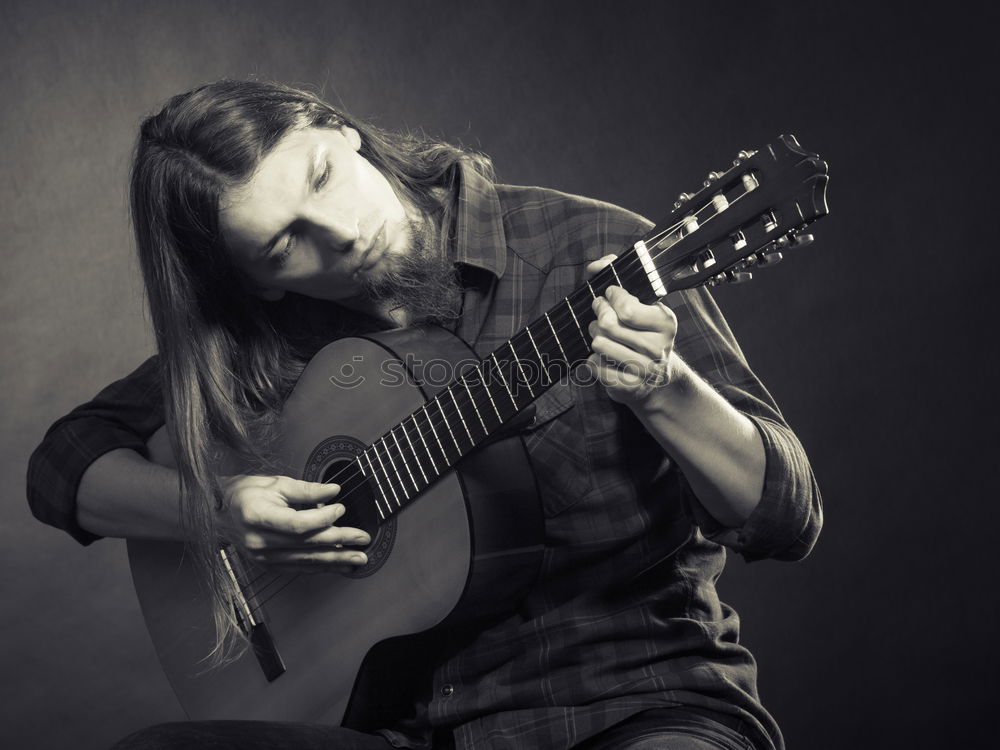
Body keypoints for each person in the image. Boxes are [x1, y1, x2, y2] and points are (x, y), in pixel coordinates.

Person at [27, 79, 822, 750]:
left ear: (340, 130)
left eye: (322, 176)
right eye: (282, 247)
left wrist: (665, 388)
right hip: (407, 727)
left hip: (639, 703)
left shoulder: (587, 247)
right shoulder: (263, 339)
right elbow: (66, 462)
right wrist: (217, 513)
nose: (338, 234)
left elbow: (788, 517)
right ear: (256, 281)